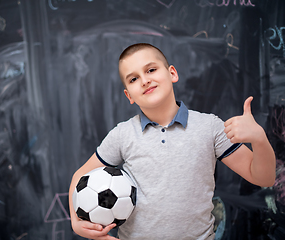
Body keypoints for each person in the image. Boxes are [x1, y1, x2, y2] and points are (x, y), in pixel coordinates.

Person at [68, 43, 276, 240]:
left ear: (172, 73)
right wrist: (76, 222)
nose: (144, 80)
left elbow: (263, 178)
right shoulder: (122, 134)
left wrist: (259, 139)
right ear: (128, 95)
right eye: (133, 79)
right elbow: (80, 175)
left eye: (151, 70)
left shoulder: (209, 127)